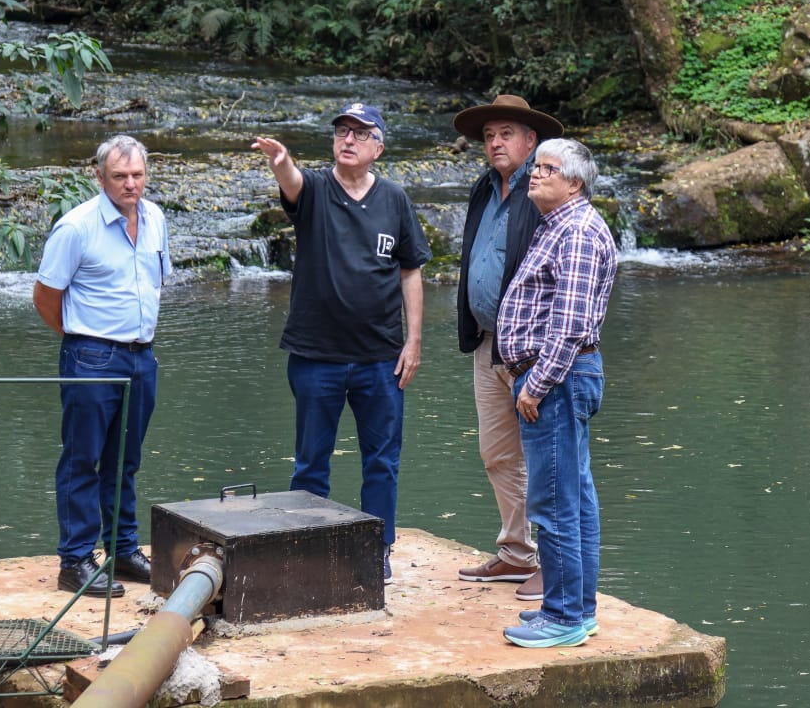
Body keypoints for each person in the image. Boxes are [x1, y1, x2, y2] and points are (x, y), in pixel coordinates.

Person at [251, 102, 432, 582]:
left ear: (378, 147)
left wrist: (414, 341)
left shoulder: (395, 199)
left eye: (359, 133)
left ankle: (378, 549)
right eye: (341, 131)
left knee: (382, 462)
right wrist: (281, 161)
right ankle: (307, 549)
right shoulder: (314, 189)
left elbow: (410, 271)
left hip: (381, 358)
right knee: (311, 461)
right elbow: (291, 182)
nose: (348, 139)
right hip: (317, 357)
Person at [33, 135, 170, 598]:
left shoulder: (155, 219)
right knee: (82, 459)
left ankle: (122, 550)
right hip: (92, 357)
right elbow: (45, 297)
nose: (130, 184)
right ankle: (74, 561)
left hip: (142, 356)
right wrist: (82, 341)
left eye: (137, 175)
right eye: (119, 176)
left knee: (125, 460)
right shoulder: (76, 228)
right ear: (99, 177)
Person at [496, 137, 617, 648]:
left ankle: (564, 616)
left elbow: (569, 325)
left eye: (547, 168)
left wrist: (536, 385)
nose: (535, 174)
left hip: (557, 380)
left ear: (574, 182)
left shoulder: (578, 232)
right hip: (560, 377)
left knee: (554, 500)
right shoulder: (560, 225)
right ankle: (577, 609)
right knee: (575, 497)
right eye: (536, 166)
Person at [451, 95, 564, 601]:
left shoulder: (544, 190)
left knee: (546, 457)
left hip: (532, 346)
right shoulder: (483, 188)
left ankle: (554, 566)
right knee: (497, 453)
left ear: (530, 140)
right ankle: (517, 554)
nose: (495, 143)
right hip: (487, 343)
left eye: (506, 134)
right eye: (488, 135)